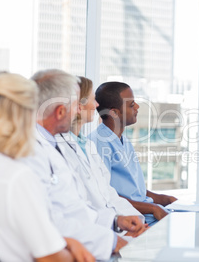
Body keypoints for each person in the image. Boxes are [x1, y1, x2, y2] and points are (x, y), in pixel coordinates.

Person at [22, 69, 145, 260]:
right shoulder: (31, 152)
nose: (80, 109)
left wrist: (116, 221)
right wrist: (111, 241)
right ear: (61, 111)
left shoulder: (55, 145)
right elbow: (52, 218)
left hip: (94, 235)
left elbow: (77, 206)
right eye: (75, 104)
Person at [0, 72, 94, 262]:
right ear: (26, 115)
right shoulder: (16, 176)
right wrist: (75, 251)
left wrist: (66, 242)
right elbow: (50, 257)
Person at [57, 76, 145, 225]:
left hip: (115, 221)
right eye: (92, 100)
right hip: (98, 227)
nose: (96, 105)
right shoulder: (80, 145)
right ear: (78, 106)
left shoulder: (87, 145)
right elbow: (83, 205)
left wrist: (136, 221)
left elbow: (107, 192)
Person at [89, 81, 177, 226]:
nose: (137, 107)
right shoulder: (99, 144)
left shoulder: (123, 140)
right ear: (114, 112)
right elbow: (105, 195)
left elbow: (137, 192)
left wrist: (165, 199)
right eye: (131, 105)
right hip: (132, 219)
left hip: (147, 214)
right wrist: (153, 208)